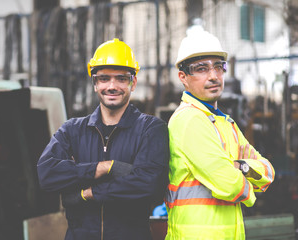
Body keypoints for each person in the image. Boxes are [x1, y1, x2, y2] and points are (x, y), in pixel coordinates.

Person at [37, 38, 169, 240]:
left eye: (121, 78)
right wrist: (104, 167)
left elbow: (147, 185)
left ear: (133, 83)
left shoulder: (150, 129)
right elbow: (47, 173)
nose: (112, 86)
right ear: (95, 84)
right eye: (104, 78)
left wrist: (87, 193)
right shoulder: (72, 130)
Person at [165, 30, 275, 240]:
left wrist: (240, 166)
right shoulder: (189, 120)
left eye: (218, 66)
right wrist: (248, 179)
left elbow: (269, 173)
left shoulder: (226, 123)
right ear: (183, 77)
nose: (214, 76)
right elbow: (231, 185)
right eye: (201, 69)